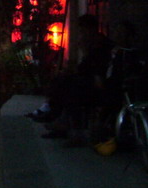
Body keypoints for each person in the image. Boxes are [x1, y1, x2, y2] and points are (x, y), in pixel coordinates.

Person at [31, 14, 113, 142]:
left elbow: (93, 71)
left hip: (99, 86)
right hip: (89, 81)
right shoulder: (92, 44)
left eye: (82, 30)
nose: (81, 34)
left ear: (90, 29)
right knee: (62, 80)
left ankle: (65, 123)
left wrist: (85, 55)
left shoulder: (100, 46)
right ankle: (56, 115)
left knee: (69, 86)